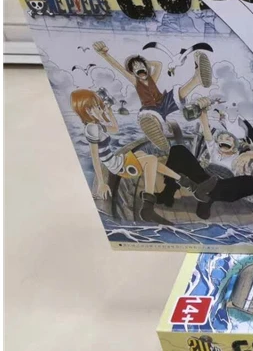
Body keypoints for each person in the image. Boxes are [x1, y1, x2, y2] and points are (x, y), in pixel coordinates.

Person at [70, 89, 198, 226]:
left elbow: (115, 129)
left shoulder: (97, 125)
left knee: (143, 155)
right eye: (95, 107)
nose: (99, 109)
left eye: (98, 106)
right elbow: (95, 156)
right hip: (116, 166)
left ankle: (184, 181)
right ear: (86, 111)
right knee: (151, 160)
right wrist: (101, 183)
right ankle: (148, 208)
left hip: (117, 160)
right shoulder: (92, 128)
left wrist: (109, 112)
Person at [92, 41, 212, 151]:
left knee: (177, 94)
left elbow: (159, 65)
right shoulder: (136, 81)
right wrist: (104, 55)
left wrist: (145, 62)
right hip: (150, 108)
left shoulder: (152, 79)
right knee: (151, 117)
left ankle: (197, 79)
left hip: (163, 103)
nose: (139, 68)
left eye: (141, 66)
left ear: (147, 68)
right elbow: (119, 68)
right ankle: (156, 132)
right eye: (135, 68)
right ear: (132, 72)